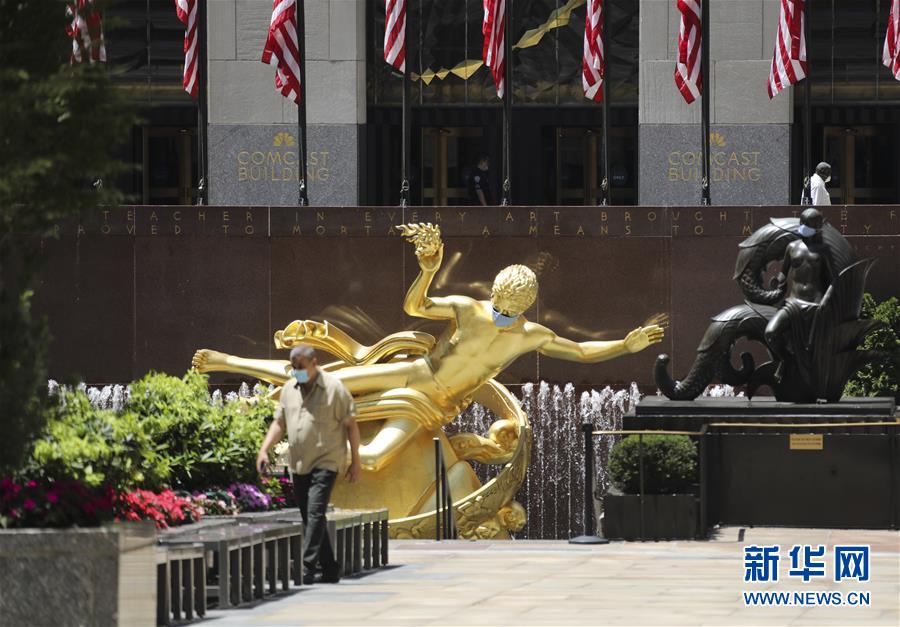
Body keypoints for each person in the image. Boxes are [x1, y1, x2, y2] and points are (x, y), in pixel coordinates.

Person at [255, 344, 361, 584]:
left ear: (314, 363)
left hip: (327, 461)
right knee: (311, 515)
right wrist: (264, 449)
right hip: (299, 462)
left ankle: (307, 566)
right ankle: (330, 568)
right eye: (294, 367)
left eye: (301, 367)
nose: (297, 371)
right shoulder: (289, 389)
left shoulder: (334, 389)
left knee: (315, 511)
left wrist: (356, 461)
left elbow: (351, 426)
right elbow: (279, 423)